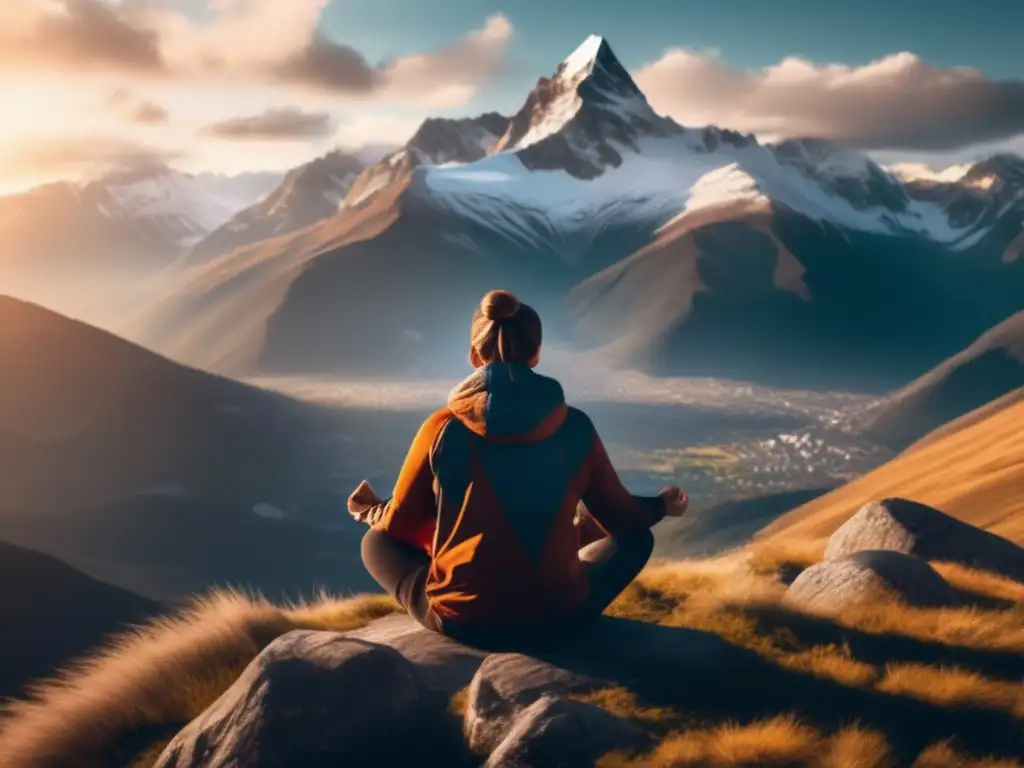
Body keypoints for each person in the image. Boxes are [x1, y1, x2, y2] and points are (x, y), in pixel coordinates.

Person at [348, 289, 689, 648]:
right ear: (536, 354)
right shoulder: (574, 426)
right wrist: (660, 505)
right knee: (638, 538)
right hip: (557, 619)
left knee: (375, 542)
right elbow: (623, 517)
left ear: (473, 355)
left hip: (464, 623)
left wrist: (369, 510)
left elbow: (399, 521)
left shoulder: (442, 428)